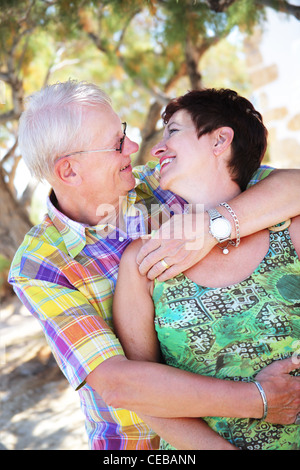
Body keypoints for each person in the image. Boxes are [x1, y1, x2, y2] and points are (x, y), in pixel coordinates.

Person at [9, 80, 300, 450]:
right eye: (117, 143)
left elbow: (288, 187)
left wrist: (215, 224)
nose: (135, 147)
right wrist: (262, 400)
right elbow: (118, 382)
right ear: (69, 171)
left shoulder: (162, 184)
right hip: (137, 446)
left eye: (125, 133)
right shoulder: (40, 266)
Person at [113, 88, 300, 450]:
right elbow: (145, 395)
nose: (157, 148)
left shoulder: (290, 231)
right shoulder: (145, 261)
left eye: (174, 131)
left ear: (220, 140)